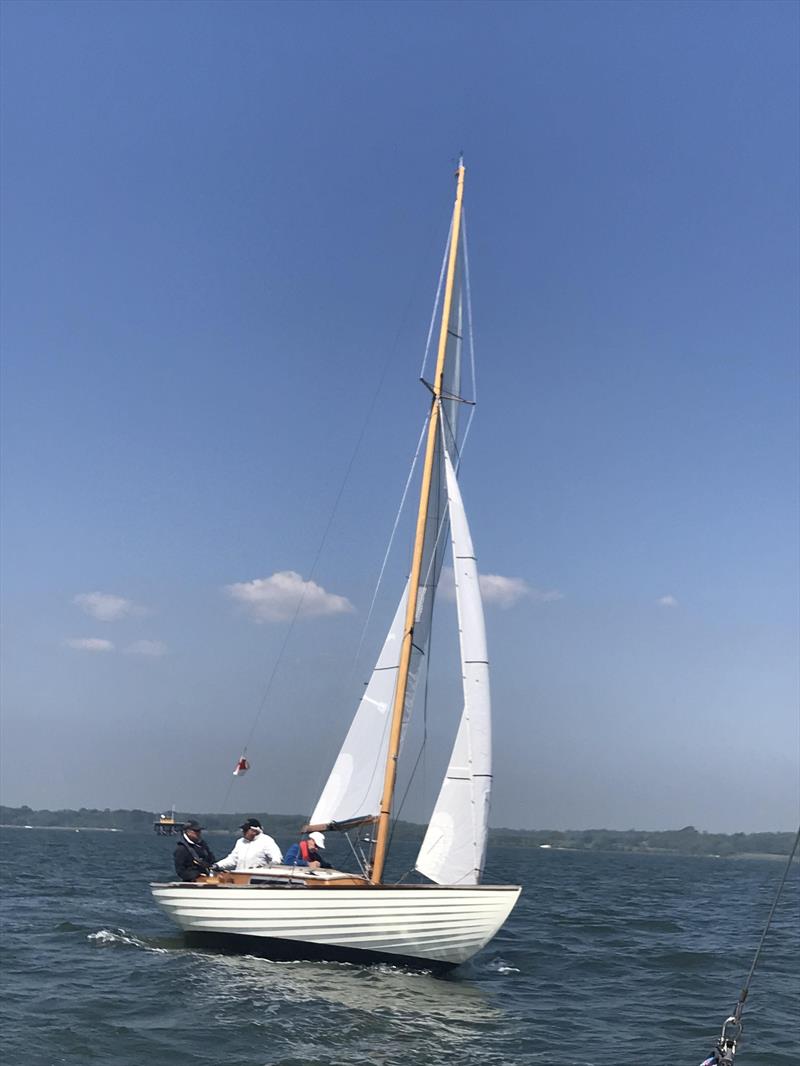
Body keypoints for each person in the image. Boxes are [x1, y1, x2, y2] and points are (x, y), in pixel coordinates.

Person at [214, 817, 282, 871]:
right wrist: (217, 865)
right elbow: (233, 859)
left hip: (257, 879)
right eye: (243, 830)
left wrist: (265, 868)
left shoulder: (266, 841)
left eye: (245, 830)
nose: (243, 832)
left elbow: (277, 859)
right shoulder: (240, 842)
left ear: (255, 831)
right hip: (240, 877)